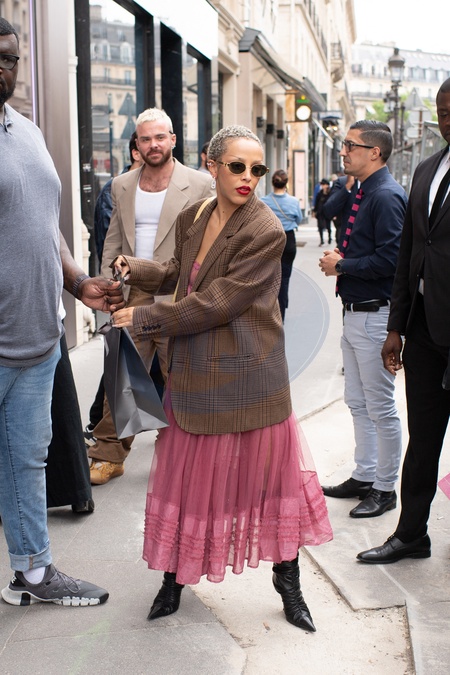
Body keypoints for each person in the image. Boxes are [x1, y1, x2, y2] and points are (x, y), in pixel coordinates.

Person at [110, 125, 332, 631]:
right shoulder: (196, 214)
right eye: (237, 166)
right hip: (194, 372)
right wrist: (136, 269)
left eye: (257, 168)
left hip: (250, 376)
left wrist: (144, 318)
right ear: (212, 166)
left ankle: (288, 581)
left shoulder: (265, 229)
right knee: (186, 485)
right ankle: (173, 580)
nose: (248, 177)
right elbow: (179, 270)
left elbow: (216, 302)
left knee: (270, 487)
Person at [0, 17, 124, 607]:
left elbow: (44, 224)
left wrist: (77, 282)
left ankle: (32, 574)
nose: (3, 68)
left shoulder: (26, 130)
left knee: (26, 461)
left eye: (10, 58)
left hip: (37, 341)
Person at [88, 107, 215, 485]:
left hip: (178, 293)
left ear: (173, 139)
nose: (153, 144)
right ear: (137, 144)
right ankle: (109, 454)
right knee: (122, 375)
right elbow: (113, 239)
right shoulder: (122, 184)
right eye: (145, 139)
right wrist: (110, 282)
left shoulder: (200, 184)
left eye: (160, 137)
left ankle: (183, 455)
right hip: (135, 294)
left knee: (182, 377)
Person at [357, 79, 450, 564]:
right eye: (442, 112)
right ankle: (411, 535)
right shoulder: (428, 168)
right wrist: (396, 326)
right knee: (423, 440)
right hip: (425, 332)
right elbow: (410, 253)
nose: (448, 120)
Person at [319, 121, 407, 519]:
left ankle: (385, 489)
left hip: (376, 315)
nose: (343, 151)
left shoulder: (386, 195)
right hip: (356, 313)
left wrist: (343, 265)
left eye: (350, 145)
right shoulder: (364, 190)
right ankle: (365, 475)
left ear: (375, 152)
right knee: (357, 402)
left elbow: (393, 260)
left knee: (380, 407)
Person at [84, 130, 144, 448]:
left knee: (136, 365)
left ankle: (108, 429)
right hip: (129, 291)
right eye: (146, 141)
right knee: (123, 362)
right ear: (136, 151)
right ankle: (104, 433)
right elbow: (110, 242)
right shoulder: (117, 188)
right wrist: (114, 287)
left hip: (159, 290)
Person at [261, 169, 303, 321]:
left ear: (272, 183)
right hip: (288, 240)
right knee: (284, 278)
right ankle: (281, 315)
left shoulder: (264, 201)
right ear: (286, 183)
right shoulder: (294, 201)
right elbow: (299, 219)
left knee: (268, 278)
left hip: (270, 239)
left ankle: (268, 312)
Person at [323, 172, 356, 246]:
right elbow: (328, 210)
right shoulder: (343, 182)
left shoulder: (380, 183)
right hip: (346, 242)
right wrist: (347, 187)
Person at [314, 178, 332, 246]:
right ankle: (321, 240)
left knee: (328, 226)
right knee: (320, 226)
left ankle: (329, 237)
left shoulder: (330, 193)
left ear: (327, 185)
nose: (323, 186)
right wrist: (315, 211)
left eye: (324, 184)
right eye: (322, 185)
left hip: (327, 212)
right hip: (320, 212)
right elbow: (316, 203)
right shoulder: (320, 193)